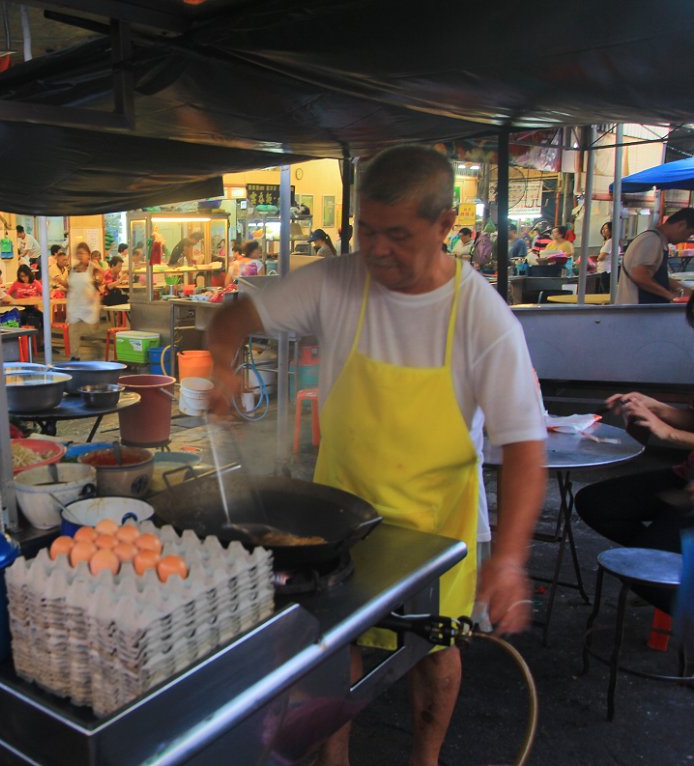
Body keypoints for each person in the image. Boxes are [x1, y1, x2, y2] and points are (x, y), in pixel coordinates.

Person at [206, 145, 546, 766]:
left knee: (437, 650)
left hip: (436, 527)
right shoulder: (338, 281)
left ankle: (426, 760)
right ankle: (334, 759)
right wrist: (225, 369)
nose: (377, 249)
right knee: (336, 644)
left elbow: (524, 444)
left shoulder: (483, 319)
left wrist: (514, 559)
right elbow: (233, 316)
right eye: (367, 229)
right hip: (342, 514)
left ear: (445, 226)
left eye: (399, 234)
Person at [576, 302, 694, 610]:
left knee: (644, 573)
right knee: (596, 503)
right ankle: (662, 566)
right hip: (686, 478)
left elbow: (677, 433)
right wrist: (654, 408)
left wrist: (668, 433)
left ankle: (666, 581)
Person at [615, 207, 694, 304]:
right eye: (689, 233)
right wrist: (669, 295)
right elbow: (639, 275)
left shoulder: (659, 240)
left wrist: (685, 291)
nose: (686, 239)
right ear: (682, 225)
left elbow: (656, 277)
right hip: (638, 311)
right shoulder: (652, 240)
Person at [65, 242, 101, 360]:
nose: (80, 256)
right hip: (75, 305)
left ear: (88, 254)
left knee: (90, 332)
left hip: (89, 306)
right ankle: (74, 356)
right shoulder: (73, 269)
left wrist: (95, 297)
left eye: (82, 253)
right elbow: (70, 285)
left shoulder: (93, 268)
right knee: (73, 331)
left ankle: (96, 348)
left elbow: (100, 286)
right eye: (78, 253)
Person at [594, 220, 616, 293]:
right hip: (604, 270)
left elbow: (601, 257)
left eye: (606, 228)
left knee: (604, 291)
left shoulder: (610, 241)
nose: (603, 230)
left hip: (606, 271)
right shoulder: (607, 241)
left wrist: (597, 258)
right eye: (603, 228)